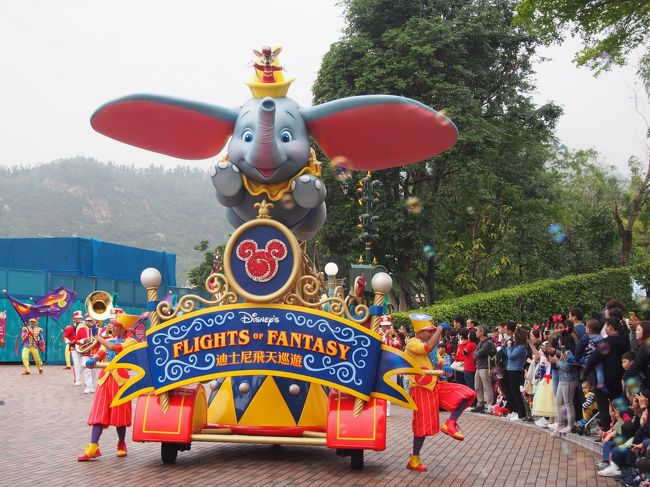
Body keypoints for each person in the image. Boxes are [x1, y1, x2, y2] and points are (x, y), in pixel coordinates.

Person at [404, 313, 476, 472]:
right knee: (422, 426)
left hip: (436, 384)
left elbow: (437, 358)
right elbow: (427, 348)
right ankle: (414, 459)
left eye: (432, 331)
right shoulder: (412, 343)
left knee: (467, 394)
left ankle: (450, 423)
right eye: (428, 331)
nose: (431, 333)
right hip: (421, 388)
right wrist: (439, 330)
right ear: (420, 332)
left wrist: (445, 366)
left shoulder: (431, 344)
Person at [77, 313, 139, 461]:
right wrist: (93, 359)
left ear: (124, 329)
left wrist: (99, 338)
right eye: (111, 325)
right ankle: (93, 447)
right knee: (99, 412)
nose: (112, 327)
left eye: (115, 325)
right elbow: (100, 353)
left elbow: (114, 348)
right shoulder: (109, 339)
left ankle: (121, 444)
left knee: (120, 414)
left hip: (120, 381)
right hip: (104, 379)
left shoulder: (131, 341)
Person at [549, 349, 580, 436]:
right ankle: (560, 423)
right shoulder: (561, 352)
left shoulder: (569, 352)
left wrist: (557, 361)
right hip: (562, 379)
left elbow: (567, 367)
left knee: (568, 403)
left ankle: (570, 425)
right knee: (559, 402)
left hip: (569, 379)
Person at [378, 315, 403, 417]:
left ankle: (387, 408)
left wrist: (392, 337)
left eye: (388, 326)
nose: (386, 328)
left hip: (391, 364)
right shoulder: (378, 334)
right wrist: (385, 337)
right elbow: (376, 344)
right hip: (380, 363)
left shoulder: (393, 334)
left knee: (390, 385)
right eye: (384, 326)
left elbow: (399, 345)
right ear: (381, 325)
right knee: (380, 386)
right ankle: (380, 407)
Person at [504, 328, 528, 421]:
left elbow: (511, 356)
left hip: (516, 371)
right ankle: (516, 412)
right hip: (511, 369)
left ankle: (521, 414)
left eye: (515, 335)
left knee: (516, 393)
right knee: (513, 392)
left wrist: (509, 347)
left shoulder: (521, 347)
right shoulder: (516, 345)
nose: (513, 336)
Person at [472, 325, 496, 413]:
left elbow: (478, 354)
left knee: (487, 386)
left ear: (482, 332)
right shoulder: (480, 342)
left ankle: (489, 405)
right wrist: (477, 353)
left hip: (485, 367)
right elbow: (475, 354)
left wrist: (477, 353)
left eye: (477, 331)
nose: (476, 332)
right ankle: (480, 404)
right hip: (479, 366)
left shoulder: (488, 342)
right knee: (477, 386)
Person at [76, 313, 98, 394]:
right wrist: (83, 340)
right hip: (85, 352)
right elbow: (76, 341)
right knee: (87, 369)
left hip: (95, 352)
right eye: (88, 321)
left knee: (94, 370)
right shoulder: (81, 330)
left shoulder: (97, 330)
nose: (89, 322)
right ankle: (87, 387)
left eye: (91, 321)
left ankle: (92, 386)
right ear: (85, 321)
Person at [63, 310, 84, 385]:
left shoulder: (84, 327)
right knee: (76, 364)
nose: (79, 320)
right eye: (78, 318)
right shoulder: (70, 328)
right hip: (74, 348)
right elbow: (65, 337)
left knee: (83, 365)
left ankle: (77, 375)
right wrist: (69, 342)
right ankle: (77, 379)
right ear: (74, 319)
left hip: (82, 348)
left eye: (80, 318)